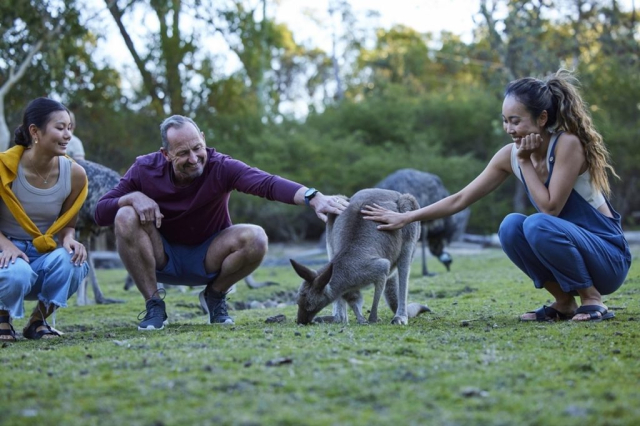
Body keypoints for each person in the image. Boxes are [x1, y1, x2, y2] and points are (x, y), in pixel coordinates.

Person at [362, 69, 631, 322]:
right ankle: (563, 302)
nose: (509, 129)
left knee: (537, 223)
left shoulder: (567, 145)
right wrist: (406, 217)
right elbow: (460, 199)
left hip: (608, 258)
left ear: (542, 119)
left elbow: (551, 209)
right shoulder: (509, 155)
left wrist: (525, 163)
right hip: (574, 251)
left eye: (516, 121)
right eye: (505, 121)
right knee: (511, 227)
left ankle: (592, 299)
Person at [94, 115, 348, 330]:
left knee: (256, 237)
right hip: (161, 256)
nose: (193, 158)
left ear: (203, 139)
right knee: (124, 213)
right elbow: (99, 213)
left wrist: (312, 197)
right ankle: (154, 305)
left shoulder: (221, 166)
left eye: (197, 148)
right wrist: (132, 197)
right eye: (183, 153)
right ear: (165, 154)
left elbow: (266, 183)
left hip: (209, 256)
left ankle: (214, 296)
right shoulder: (144, 169)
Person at [0, 97, 89, 341]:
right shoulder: (4, 167)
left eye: (69, 128)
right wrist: (7, 247)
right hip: (4, 248)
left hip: (42, 252)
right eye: (60, 128)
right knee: (15, 272)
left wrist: (69, 239)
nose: (67, 135)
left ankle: (38, 321)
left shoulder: (75, 174)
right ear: (34, 131)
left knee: (75, 261)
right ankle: (2, 317)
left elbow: (67, 223)